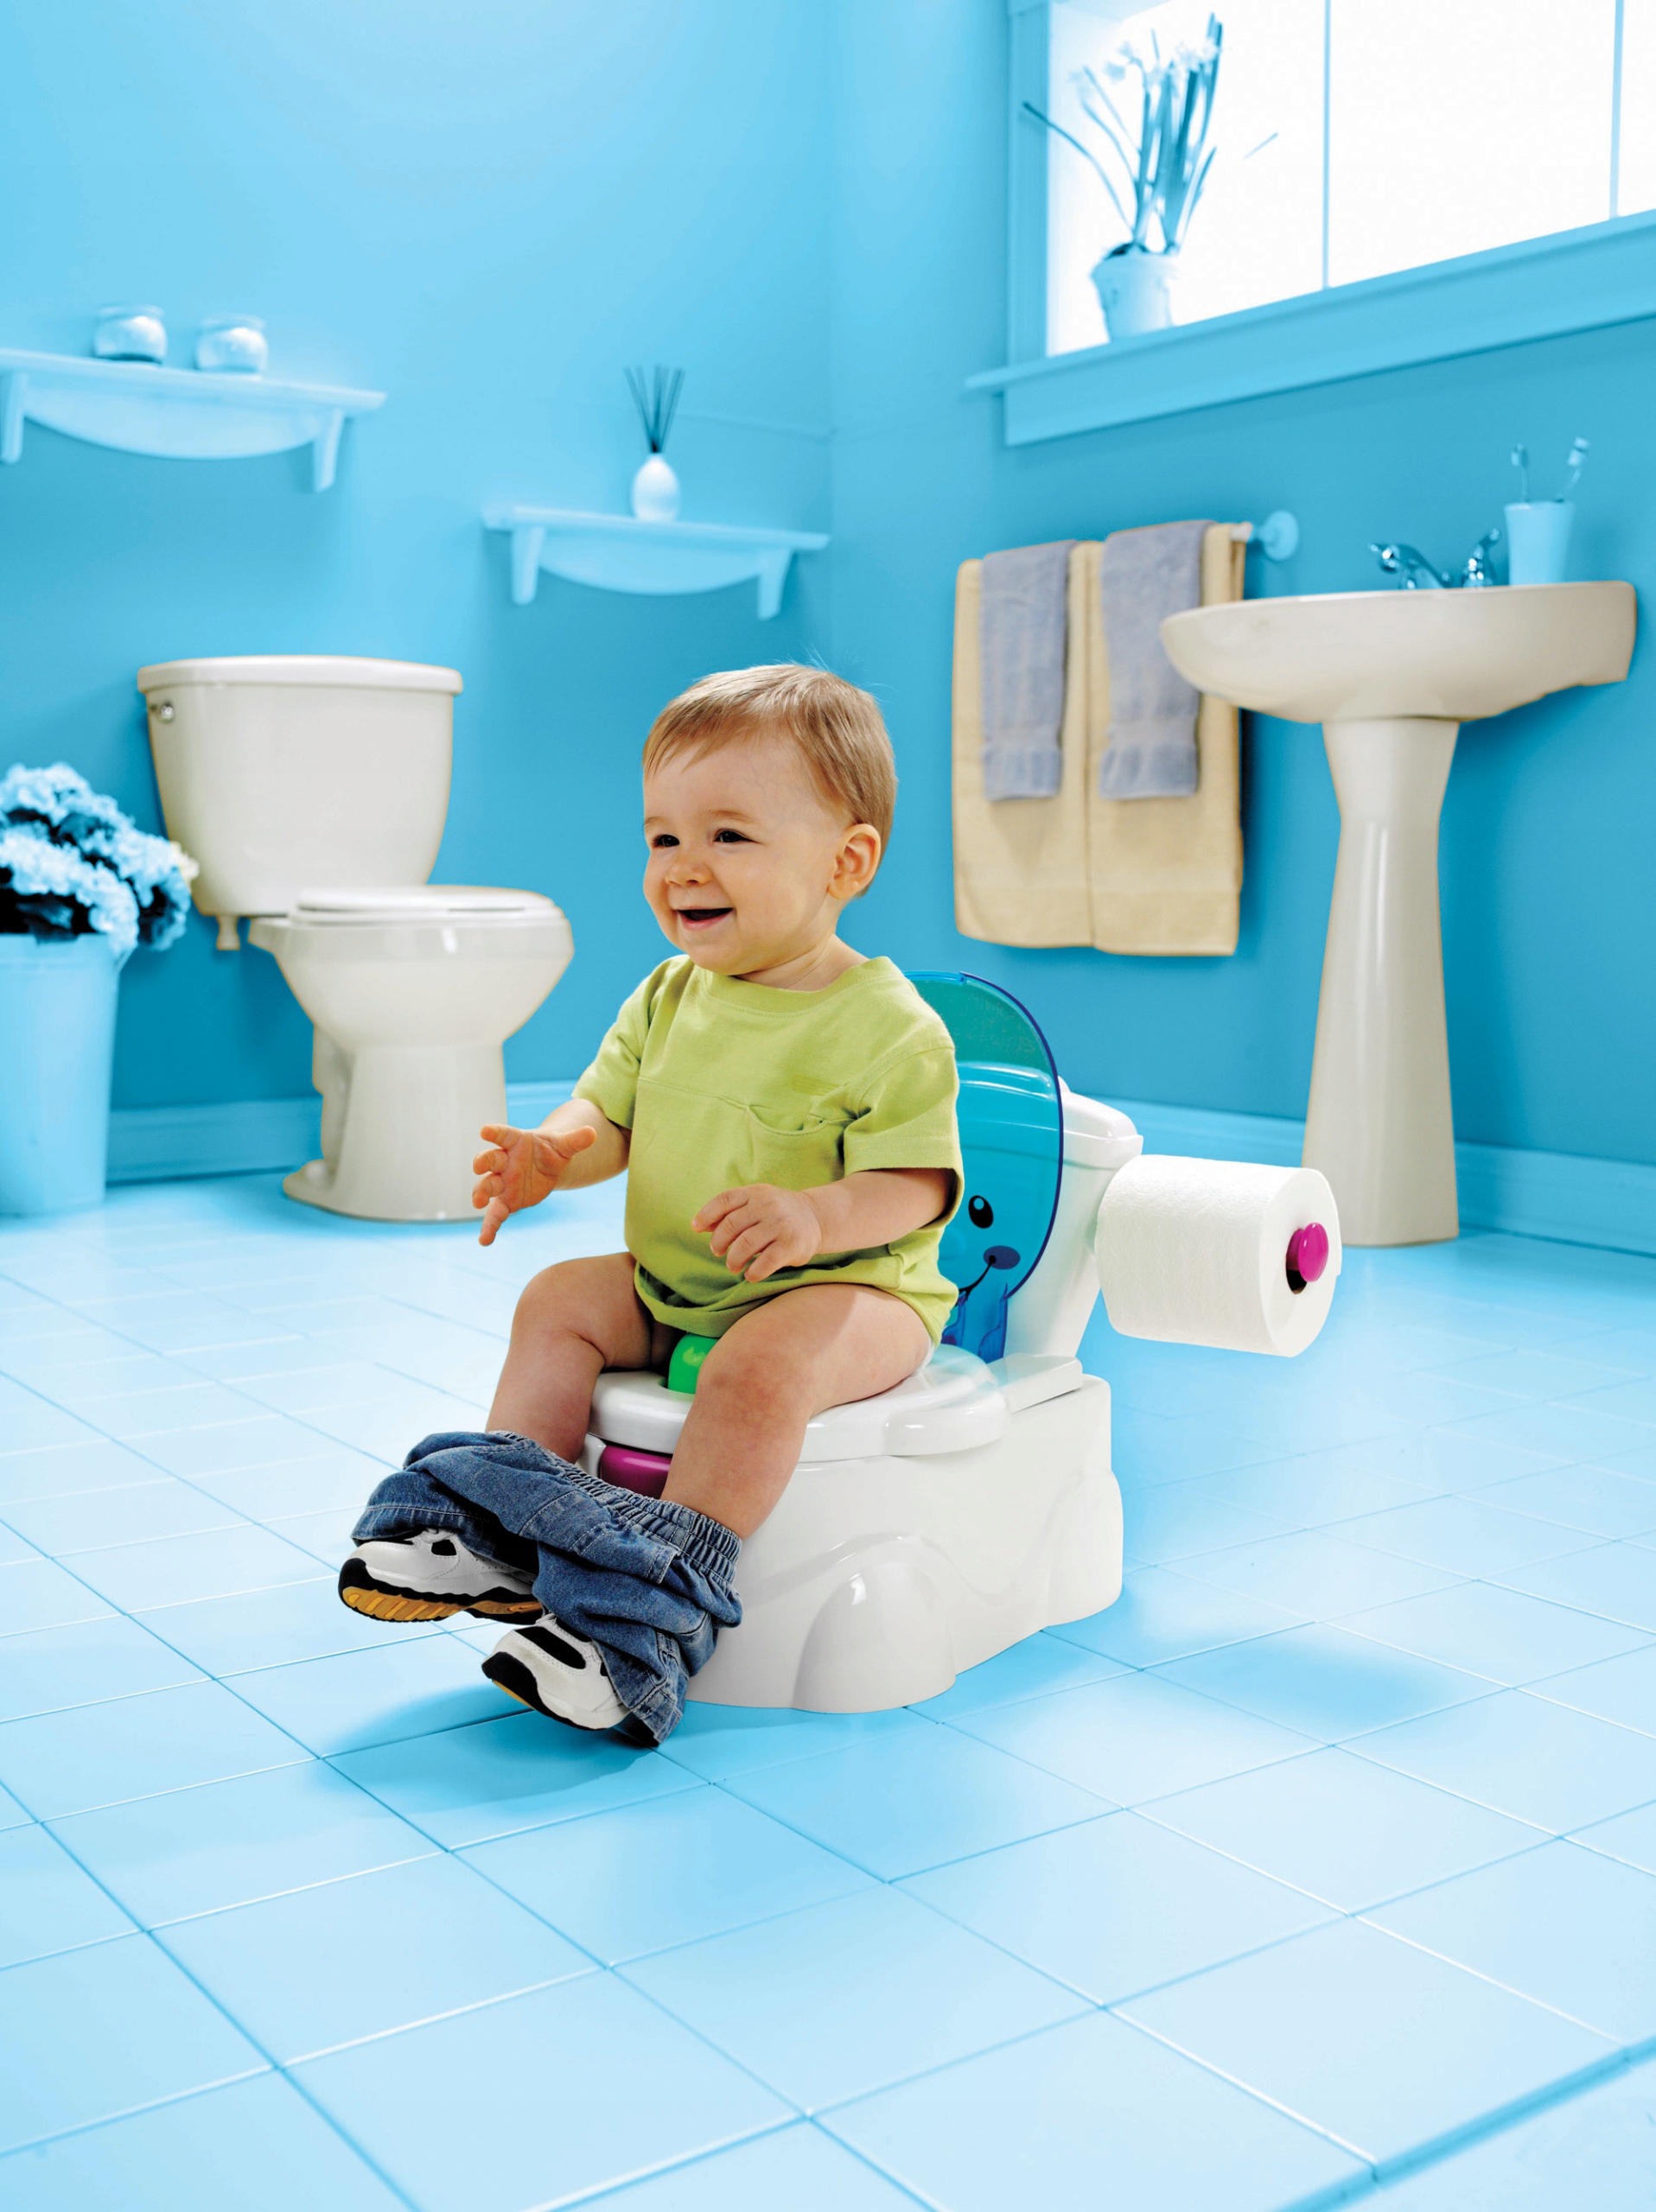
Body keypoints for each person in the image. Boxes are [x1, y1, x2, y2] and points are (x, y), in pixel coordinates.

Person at [336, 664, 962, 1743]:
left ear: (845, 862)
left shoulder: (890, 1026)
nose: (683, 866)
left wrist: (815, 1219)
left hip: (854, 1292)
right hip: (682, 1283)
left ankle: (648, 1610)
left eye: (728, 835)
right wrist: (553, 1153)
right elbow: (606, 1115)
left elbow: (915, 1185)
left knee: (755, 1368)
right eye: (662, 836)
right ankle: (511, 1525)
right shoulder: (668, 995)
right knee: (558, 1297)